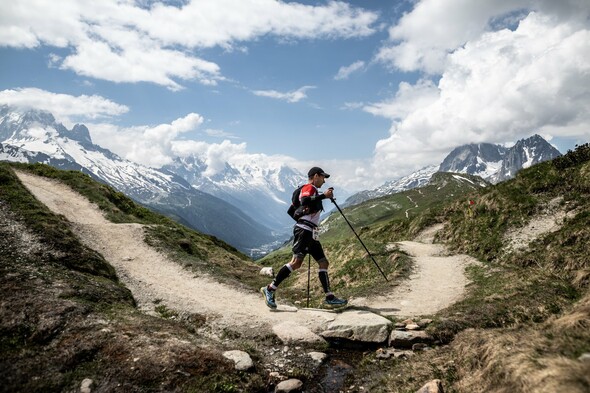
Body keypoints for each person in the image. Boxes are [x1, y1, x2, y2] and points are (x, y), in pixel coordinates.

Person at [261, 167, 348, 309]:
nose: (324, 180)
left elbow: (301, 207)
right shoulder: (309, 187)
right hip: (304, 231)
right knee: (296, 263)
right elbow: (305, 200)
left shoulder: (313, 190)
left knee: (323, 263)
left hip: (311, 232)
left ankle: (329, 297)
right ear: (315, 176)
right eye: (322, 177)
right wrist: (324, 196)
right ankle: (269, 289)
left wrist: (323, 198)